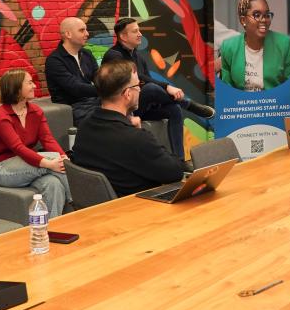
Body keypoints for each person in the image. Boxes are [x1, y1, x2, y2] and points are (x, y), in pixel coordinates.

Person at [71, 60, 187, 197]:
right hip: (140, 205)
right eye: (138, 85)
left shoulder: (84, 127)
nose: (140, 90)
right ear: (127, 94)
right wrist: (140, 132)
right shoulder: (136, 138)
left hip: (100, 206)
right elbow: (175, 172)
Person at [102, 17, 214, 159]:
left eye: (139, 30)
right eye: (135, 31)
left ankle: (179, 160)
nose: (140, 34)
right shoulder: (114, 56)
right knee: (151, 89)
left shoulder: (138, 56)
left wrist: (161, 98)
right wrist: (167, 86)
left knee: (174, 109)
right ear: (123, 36)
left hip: (140, 106)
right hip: (125, 109)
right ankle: (188, 104)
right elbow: (139, 78)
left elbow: (146, 79)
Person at [0, 69, 72, 217]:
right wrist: (50, 163)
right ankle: (80, 204)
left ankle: (53, 226)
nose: (34, 86)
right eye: (29, 83)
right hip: (3, 169)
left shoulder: (36, 111)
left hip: (29, 164)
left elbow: (48, 139)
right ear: (16, 88)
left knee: (54, 184)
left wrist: (63, 157)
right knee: (54, 162)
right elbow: (18, 148)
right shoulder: (0, 116)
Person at [219, 0, 290, 91]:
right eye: (256, 15)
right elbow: (227, 89)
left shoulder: (284, 44)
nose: (264, 20)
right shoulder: (228, 47)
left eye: (267, 15)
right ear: (243, 20)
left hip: (273, 101)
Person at [44, 17, 99, 124]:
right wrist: (105, 90)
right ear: (68, 34)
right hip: (72, 107)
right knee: (107, 117)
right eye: (82, 30)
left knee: (121, 105)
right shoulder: (54, 60)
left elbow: (99, 77)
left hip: (92, 101)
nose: (87, 34)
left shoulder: (86, 53)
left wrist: (113, 86)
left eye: (86, 30)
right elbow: (75, 88)